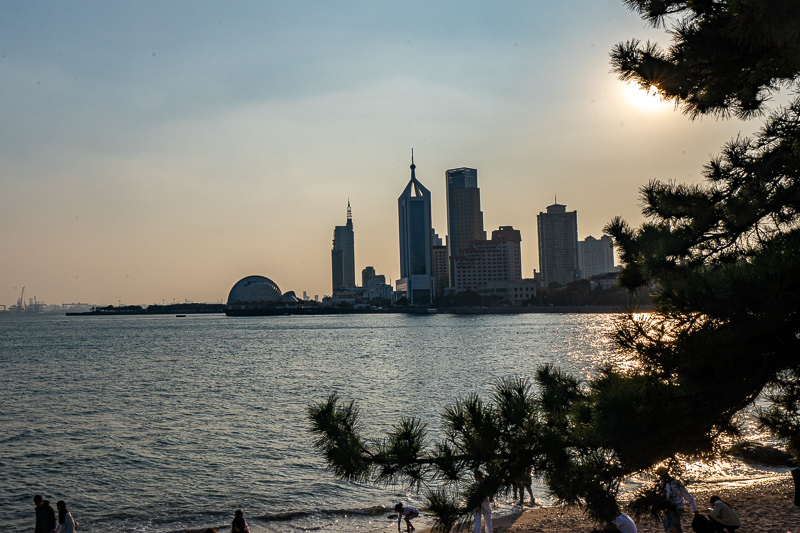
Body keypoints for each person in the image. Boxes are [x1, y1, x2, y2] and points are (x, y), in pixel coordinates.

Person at [656, 467, 698, 533]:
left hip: (678, 507)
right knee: (677, 526)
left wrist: (695, 509)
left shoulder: (677, 483)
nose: (659, 477)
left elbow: (687, 496)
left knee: (667, 523)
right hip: (669, 508)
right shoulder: (663, 484)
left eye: (660, 475)